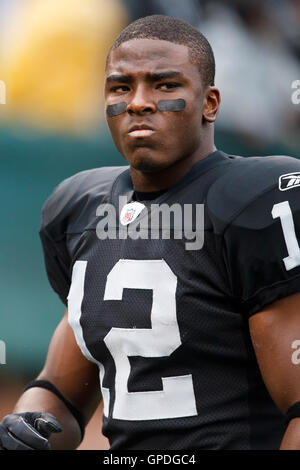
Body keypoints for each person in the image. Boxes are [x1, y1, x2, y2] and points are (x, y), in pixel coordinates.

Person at [1, 14, 300, 451]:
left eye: (165, 86)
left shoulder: (254, 203)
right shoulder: (81, 207)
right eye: (121, 87)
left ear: (210, 103)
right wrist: (27, 427)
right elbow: (61, 395)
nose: (138, 102)